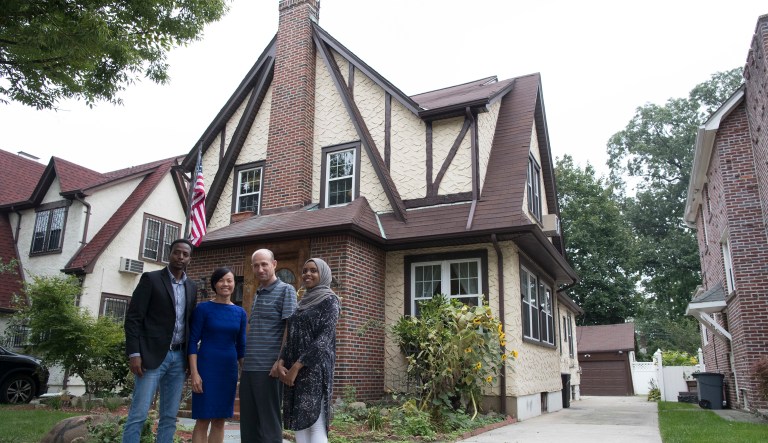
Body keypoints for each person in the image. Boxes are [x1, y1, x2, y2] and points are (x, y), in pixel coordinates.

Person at [123, 239, 197, 443]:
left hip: (179, 358)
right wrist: (135, 353)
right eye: (177, 253)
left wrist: (190, 360)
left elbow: (189, 323)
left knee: (169, 417)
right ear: (170, 254)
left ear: (190, 258)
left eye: (185, 254)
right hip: (151, 356)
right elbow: (133, 319)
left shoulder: (191, 287)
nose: (181, 257)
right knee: (138, 414)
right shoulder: (151, 279)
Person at [277, 258, 340, 443]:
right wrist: (281, 362)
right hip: (292, 371)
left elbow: (323, 340)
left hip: (314, 370)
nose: (308, 274)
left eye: (313, 270)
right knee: (300, 424)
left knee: (316, 423)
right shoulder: (301, 303)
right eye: (305, 270)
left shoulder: (330, 301)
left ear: (323, 274)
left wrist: (296, 367)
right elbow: (292, 336)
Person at [240, 249, 298, 443]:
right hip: (249, 367)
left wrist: (280, 360)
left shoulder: (286, 290)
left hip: (268, 368)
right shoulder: (258, 293)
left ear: (274, 264)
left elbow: (291, 328)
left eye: (264, 264)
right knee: (249, 425)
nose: (260, 268)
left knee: (269, 425)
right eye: (256, 265)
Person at [188, 267, 247, 443]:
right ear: (214, 284)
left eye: (229, 280)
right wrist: (194, 373)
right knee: (203, 419)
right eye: (221, 280)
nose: (225, 284)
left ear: (234, 284)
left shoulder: (240, 313)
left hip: (228, 370)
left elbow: (241, 346)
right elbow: (192, 341)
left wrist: (245, 374)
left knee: (220, 419)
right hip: (206, 368)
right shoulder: (203, 308)